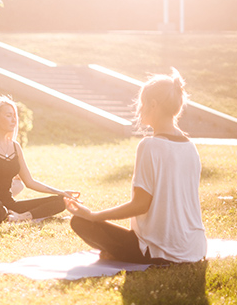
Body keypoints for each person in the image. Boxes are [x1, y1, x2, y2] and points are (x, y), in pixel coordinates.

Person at [64, 69, 206, 264]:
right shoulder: (191, 148)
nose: (139, 109)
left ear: (153, 105)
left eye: (142, 103)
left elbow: (141, 204)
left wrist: (94, 215)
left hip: (161, 252)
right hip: (196, 248)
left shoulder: (150, 146)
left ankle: (119, 252)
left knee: (81, 222)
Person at [0, 95, 74, 223]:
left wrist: (61, 192)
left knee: (61, 201)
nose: (14, 120)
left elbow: (29, 182)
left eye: (15, 116)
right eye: (9, 115)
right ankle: (9, 215)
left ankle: (22, 216)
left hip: (9, 203)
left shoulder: (15, 146)